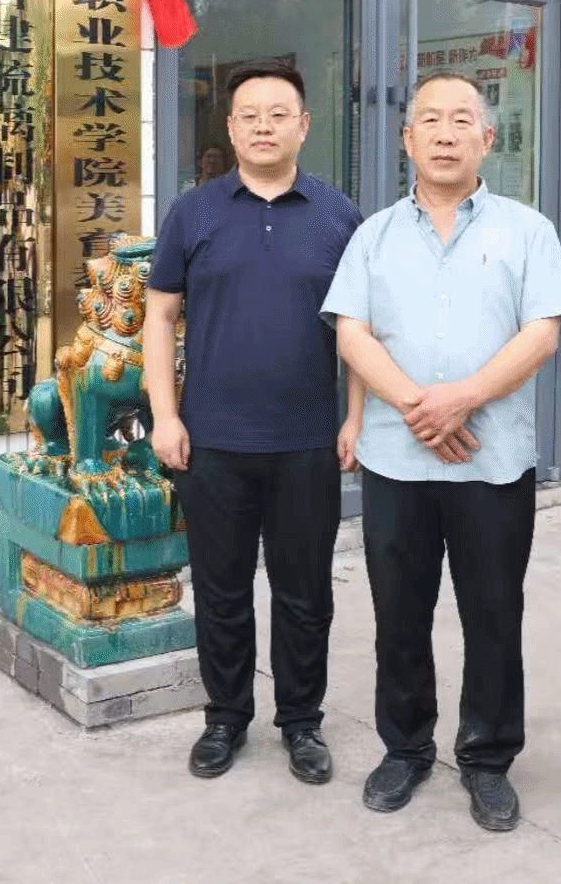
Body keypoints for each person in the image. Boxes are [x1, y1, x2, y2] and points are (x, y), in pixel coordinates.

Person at [322, 71, 561, 831]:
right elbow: (352, 333)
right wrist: (417, 405)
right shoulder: (373, 235)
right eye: (428, 120)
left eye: (460, 120)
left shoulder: (528, 231)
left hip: (491, 461)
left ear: (486, 139)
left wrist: (463, 397)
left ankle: (488, 758)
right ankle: (405, 748)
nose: (444, 133)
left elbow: (543, 332)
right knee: (399, 614)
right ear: (406, 140)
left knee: (493, 614)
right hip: (395, 461)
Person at [143, 60, 364, 786]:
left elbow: (360, 329)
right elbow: (159, 317)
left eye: (279, 114)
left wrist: (356, 417)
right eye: (250, 115)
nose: (264, 126)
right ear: (231, 128)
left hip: (307, 441)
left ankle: (301, 721)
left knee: (305, 595)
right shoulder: (193, 212)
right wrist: (165, 415)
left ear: (304, 126)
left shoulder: (339, 216)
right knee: (222, 591)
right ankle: (225, 718)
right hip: (212, 440)